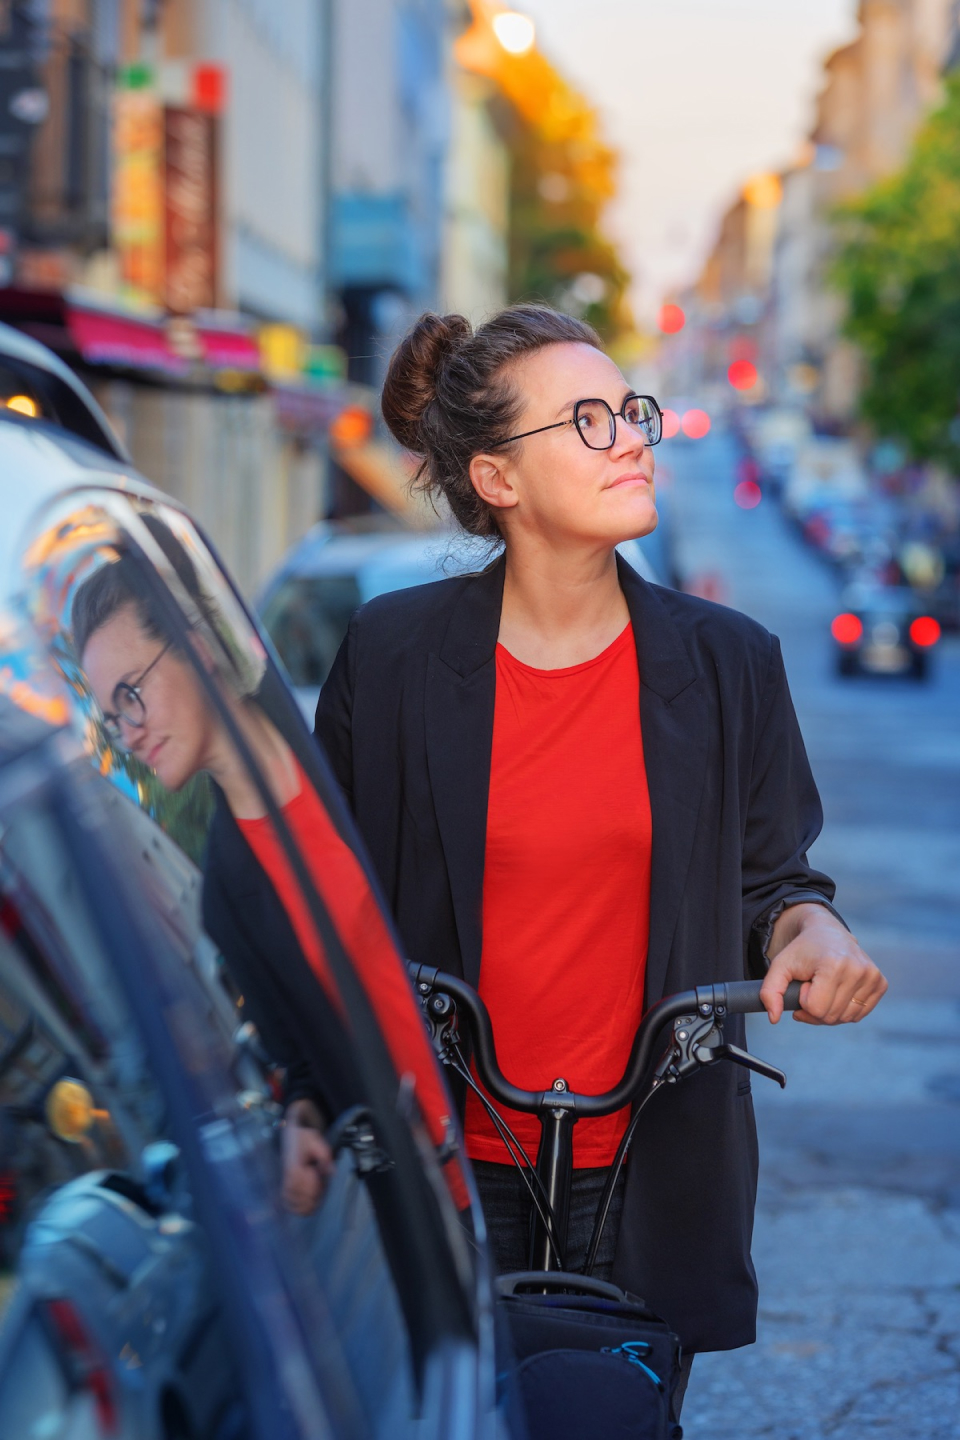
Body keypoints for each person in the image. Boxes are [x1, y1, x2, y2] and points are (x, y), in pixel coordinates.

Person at [314, 304, 887, 1394]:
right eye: (586, 420)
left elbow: (779, 882)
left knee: (611, 1420)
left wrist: (815, 932)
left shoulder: (731, 662)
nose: (631, 434)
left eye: (629, 409)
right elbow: (318, 899)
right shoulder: (390, 656)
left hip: (649, 1156)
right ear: (497, 480)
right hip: (440, 1156)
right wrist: (305, 1094)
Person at [69, 520, 464, 1218]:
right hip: (433, 1212)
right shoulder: (227, 889)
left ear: (194, 645)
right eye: (110, 716)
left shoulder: (357, 752)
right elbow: (303, 1055)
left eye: (131, 692)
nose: (127, 734)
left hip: (531, 1136)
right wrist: (303, 1122)